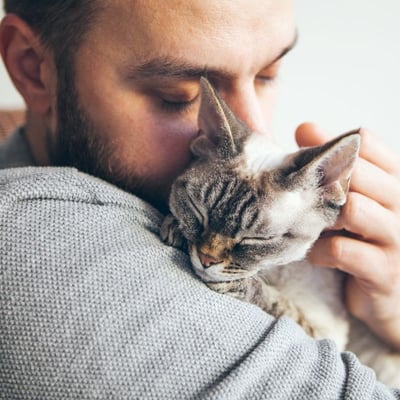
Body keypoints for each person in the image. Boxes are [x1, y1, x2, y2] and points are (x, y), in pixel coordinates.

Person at [0, 1, 399, 398]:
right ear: (33, 68)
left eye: (268, 73)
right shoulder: (34, 241)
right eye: (181, 95)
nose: (258, 129)